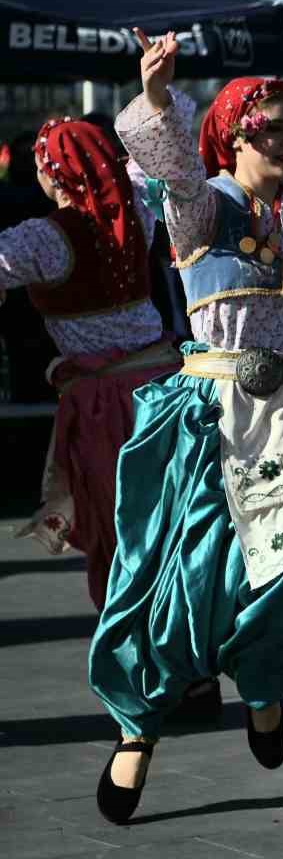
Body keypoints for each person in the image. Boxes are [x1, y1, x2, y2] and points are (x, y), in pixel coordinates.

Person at [88, 32, 283, 827]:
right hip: (212, 420)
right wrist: (156, 95)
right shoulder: (202, 206)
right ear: (235, 134)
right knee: (186, 585)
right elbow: (172, 163)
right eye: (272, 128)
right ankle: (139, 729)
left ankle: (262, 681)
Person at [1, 119, 181, 609]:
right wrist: (156, 93)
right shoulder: (139, 211)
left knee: (117, 529)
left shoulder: (43, 238)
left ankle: (137, 654)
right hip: (165, 387)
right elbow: (153, 151)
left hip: (106, 404)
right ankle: (182, 654)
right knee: (168, 524)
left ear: (51, 175)